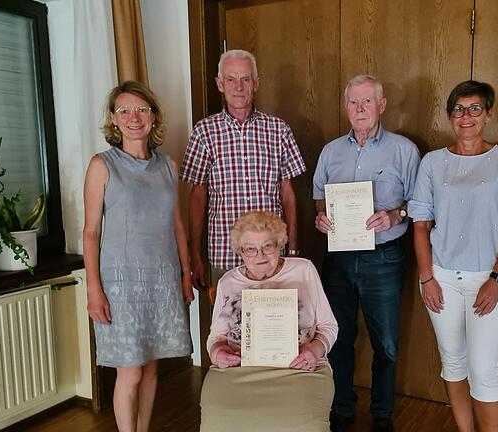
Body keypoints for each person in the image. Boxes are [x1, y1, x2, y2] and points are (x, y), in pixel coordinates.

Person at [409, 80, 498, 432]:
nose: (467, 116)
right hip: (442, 278)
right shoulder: (433, 162)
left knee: (483, 371)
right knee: (452, 363)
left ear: (488, 114)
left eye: (475, 108)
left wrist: (497, 280)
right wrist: (426, 277)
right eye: (459, 109)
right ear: (450, 116)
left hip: (488, 279)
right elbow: (420, 226)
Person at [83, 81, 194, 432]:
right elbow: (91, 232)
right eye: (125, 110)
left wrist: (186, 273)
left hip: (161, 280)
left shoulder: (167, 166)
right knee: (130, 369)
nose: (134, 117)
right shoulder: (102, 165)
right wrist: (93, 290)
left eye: (142, 109)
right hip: (122, 286)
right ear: (113, 119)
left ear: (154, 116)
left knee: (150, 366)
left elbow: (177, 225)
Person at [312, 74, 421, 432]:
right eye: (353, 103)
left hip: (384, 258)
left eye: (367, 102)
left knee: (386, 344)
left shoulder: (403, 150)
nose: (359, 109)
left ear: (382, 105)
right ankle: (342, 407)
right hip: (339, 259)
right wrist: (321, 218)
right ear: (346, 106)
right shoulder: (331, 151)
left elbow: (419, 205)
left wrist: (394, 215)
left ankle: (382, 413)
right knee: (339, 338)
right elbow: (318, 197)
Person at [180, 49, 306, 292]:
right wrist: (195, 254)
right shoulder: (204, 132)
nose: (238, 86)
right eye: (231, 79)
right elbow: (197, 195)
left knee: (275, 327)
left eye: (245, 79)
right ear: (219, 84)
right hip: (224, 253)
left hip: (271, 254)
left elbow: (287, 193)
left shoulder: (278, 129)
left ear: (256, 83)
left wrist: (292, 247)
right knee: (228, 327)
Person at [200, 211, 338, 431]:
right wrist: (217, 352)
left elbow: (329, 326)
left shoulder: (304, 270)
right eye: (250, 249)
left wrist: (314, 349)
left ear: (280, 244)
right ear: (240, 251)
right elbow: (215, 337)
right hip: (239, 368)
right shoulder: (228, 282)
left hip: (299, 367)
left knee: (302, 422)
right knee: (219, 419)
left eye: (268, 246)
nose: (260, 255)